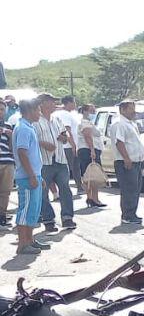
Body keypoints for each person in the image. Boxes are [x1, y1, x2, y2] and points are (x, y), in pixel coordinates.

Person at [34, 93, 76, 232]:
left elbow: (65, 135)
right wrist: (43, 143)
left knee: (65, 189)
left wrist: (64, 137)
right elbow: (31, 139)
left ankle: (67, 218)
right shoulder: (35, 120)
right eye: (52, 102)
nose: (55, 104)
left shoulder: (57, 119)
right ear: (43, 103)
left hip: (60, 159)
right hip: (44, 162)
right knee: (43, 192)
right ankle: (48, 219)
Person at [13, 99, 46, 255]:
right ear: (30, 110)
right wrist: (32, 175)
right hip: (27, 177)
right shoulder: (23, 129)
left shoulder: (29, 127)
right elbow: (22, 152)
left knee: (33, 210)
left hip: (34, 175)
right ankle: (22, 244)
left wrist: (38, 176)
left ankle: (30, 240)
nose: (39, 113)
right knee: (25, 210)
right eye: (38, 110)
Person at [110, 100, 144, 225]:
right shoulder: (119, 123)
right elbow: (119, 142)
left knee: (135, 188)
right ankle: (127, 215)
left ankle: (132, 213)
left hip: (136, 161)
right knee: (129, 189)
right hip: (125, 162)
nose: (134, 111)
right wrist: (126, 158)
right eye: (131, 108)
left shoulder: (131, 123)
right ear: (123, 110)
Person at [77, 103, 106, 208]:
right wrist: (92, 150)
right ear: (85, 111)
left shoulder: (88, 122)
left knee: (91, 175)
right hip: (88, 150)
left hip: (88, 150)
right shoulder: (85, 123)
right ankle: (93, 198)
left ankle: (92, 197)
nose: (93, 113)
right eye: (91, 111)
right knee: (92, 174)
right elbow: (88, 136)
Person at [54, 95, 82, 193]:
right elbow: (67, 129)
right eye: (73, 102)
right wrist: (73, 144)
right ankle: (64, 189)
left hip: (70, 145)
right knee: (68, 168)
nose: (75, 105)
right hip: (68, 146)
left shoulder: (68, 114)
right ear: (68, 103)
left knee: (75, 167)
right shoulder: (64, 114)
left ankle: (80, 186)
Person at [0, 119, 14, 228]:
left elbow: (12, 147)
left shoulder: (8, 125)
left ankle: (2, 217)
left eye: (2, 109)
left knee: (5, 192)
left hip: (7, 161)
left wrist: (10, 136)